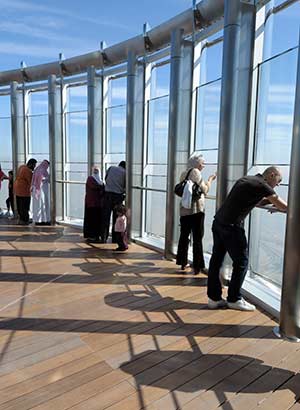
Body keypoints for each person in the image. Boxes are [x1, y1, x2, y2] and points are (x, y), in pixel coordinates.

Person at [207, 166, 288, 311]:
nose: (278, 184)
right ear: (272, 174)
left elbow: (254, 201)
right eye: (279, 180)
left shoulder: (247, 180)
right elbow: (283, 206)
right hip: (231, 228)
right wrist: (281, 205)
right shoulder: (263, 185)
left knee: (216, 260)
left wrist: (270, 202)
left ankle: (214, 298)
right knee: (242, 262)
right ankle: (234, 299)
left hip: (218, 223)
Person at [176, 155, 216, 275]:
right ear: (198, 164)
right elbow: (205, 190)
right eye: (203, 163)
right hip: (196, 210)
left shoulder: (184, 173)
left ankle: (182, 262)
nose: (204, 165)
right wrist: (210, 180)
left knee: (184, 236)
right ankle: (198, 266)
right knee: (197, 238)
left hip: (184, 210)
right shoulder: (196, 172)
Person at [103, 161, 126, 243]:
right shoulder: (125, 172)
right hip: (118, 196)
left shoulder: (111, 168)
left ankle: (103, 237)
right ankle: (115, 238)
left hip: (107, 195)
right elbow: (125, 185)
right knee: (116, 218)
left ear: (119, 165)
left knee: (106, 216)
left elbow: (106, 178)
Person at [83, 166, 105, 243]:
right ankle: (92, 235)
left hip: (96, 204)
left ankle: (95, 235)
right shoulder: (91, 179)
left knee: (95, 220)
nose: (95, 172)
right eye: (95, 170)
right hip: (92, 203)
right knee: (92, 220)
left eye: (97, 170)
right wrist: (102, 187)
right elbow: (95, 187)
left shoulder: (98, 180)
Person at [14, 158, 37, 225]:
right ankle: (24, 220)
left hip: (17, 189)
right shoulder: (27, 171)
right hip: (24, 191)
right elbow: (30, 181)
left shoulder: (22, 167)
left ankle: (21, 219)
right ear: (31, 164)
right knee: (25, 206)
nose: (34, 167)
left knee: (20, 206)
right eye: (34, 165)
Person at [31, 160, 50, 225]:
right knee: (42, 205)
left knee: (36, 206)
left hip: (35, 190)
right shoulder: (43, 170)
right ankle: (43, 220)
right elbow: (43, 179)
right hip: (40, 191)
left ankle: (37, 220)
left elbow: (34, 180)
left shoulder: (37, 169)